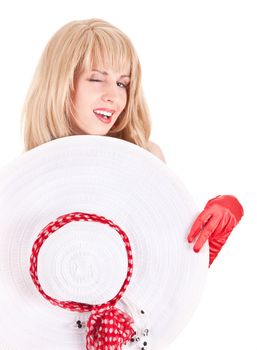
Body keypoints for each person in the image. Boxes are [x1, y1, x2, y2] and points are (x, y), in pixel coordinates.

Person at [21, 18, 243, 268]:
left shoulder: (145, 159)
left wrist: (214, 232)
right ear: (60, 84)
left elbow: (170, 270)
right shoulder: (26, 182)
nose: (114, 96)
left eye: (122, 83)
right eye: (96, 79)